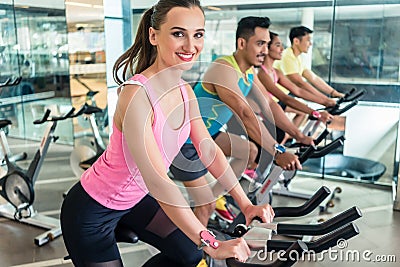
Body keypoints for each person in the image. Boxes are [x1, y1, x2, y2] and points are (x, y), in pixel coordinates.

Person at [60, 1, 273, 266]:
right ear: (153, 36)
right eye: (178, 33)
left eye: (198, 34)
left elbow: (208, 151)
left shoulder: (185, 92)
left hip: (134, 201)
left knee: (191, 255)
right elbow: (158, 181)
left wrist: (245, 204)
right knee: (202, 246)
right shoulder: (137, 95)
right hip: (91, 211)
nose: (190, 45)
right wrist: (212, 242)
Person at [170, 16, 314, 227]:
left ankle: (215, 197)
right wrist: (277, 151)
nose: (265, 50)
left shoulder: (248, 73)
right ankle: (195, 255)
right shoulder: (224, 68)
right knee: (204, 207)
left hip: (207, 136)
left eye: (266, 44)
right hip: (183, 143)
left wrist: (299, 135)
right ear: (241, 43)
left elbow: (270, 105)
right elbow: (245, 114)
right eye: (260, 43)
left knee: (248, 151)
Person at [257, 31, 334, 143]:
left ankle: (286, 143)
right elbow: (285, 98)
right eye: (278, 45)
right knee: (279, 136)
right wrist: (316, 113)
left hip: (273, 109)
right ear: (267, 48)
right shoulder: (262, 74)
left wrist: (326, 102)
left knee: (282, 134)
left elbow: (298, 91)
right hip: (265, 112)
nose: (282, 49)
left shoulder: (276, 72)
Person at [274, 26, 344, 99]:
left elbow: (313, 78)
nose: (310, 44)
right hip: (274, 99)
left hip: (281, 97)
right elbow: (300, 83)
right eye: (308, 40)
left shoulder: (298, 57)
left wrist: (334, 93)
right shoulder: (287, 56)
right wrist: (324, 99)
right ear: (296, 41)